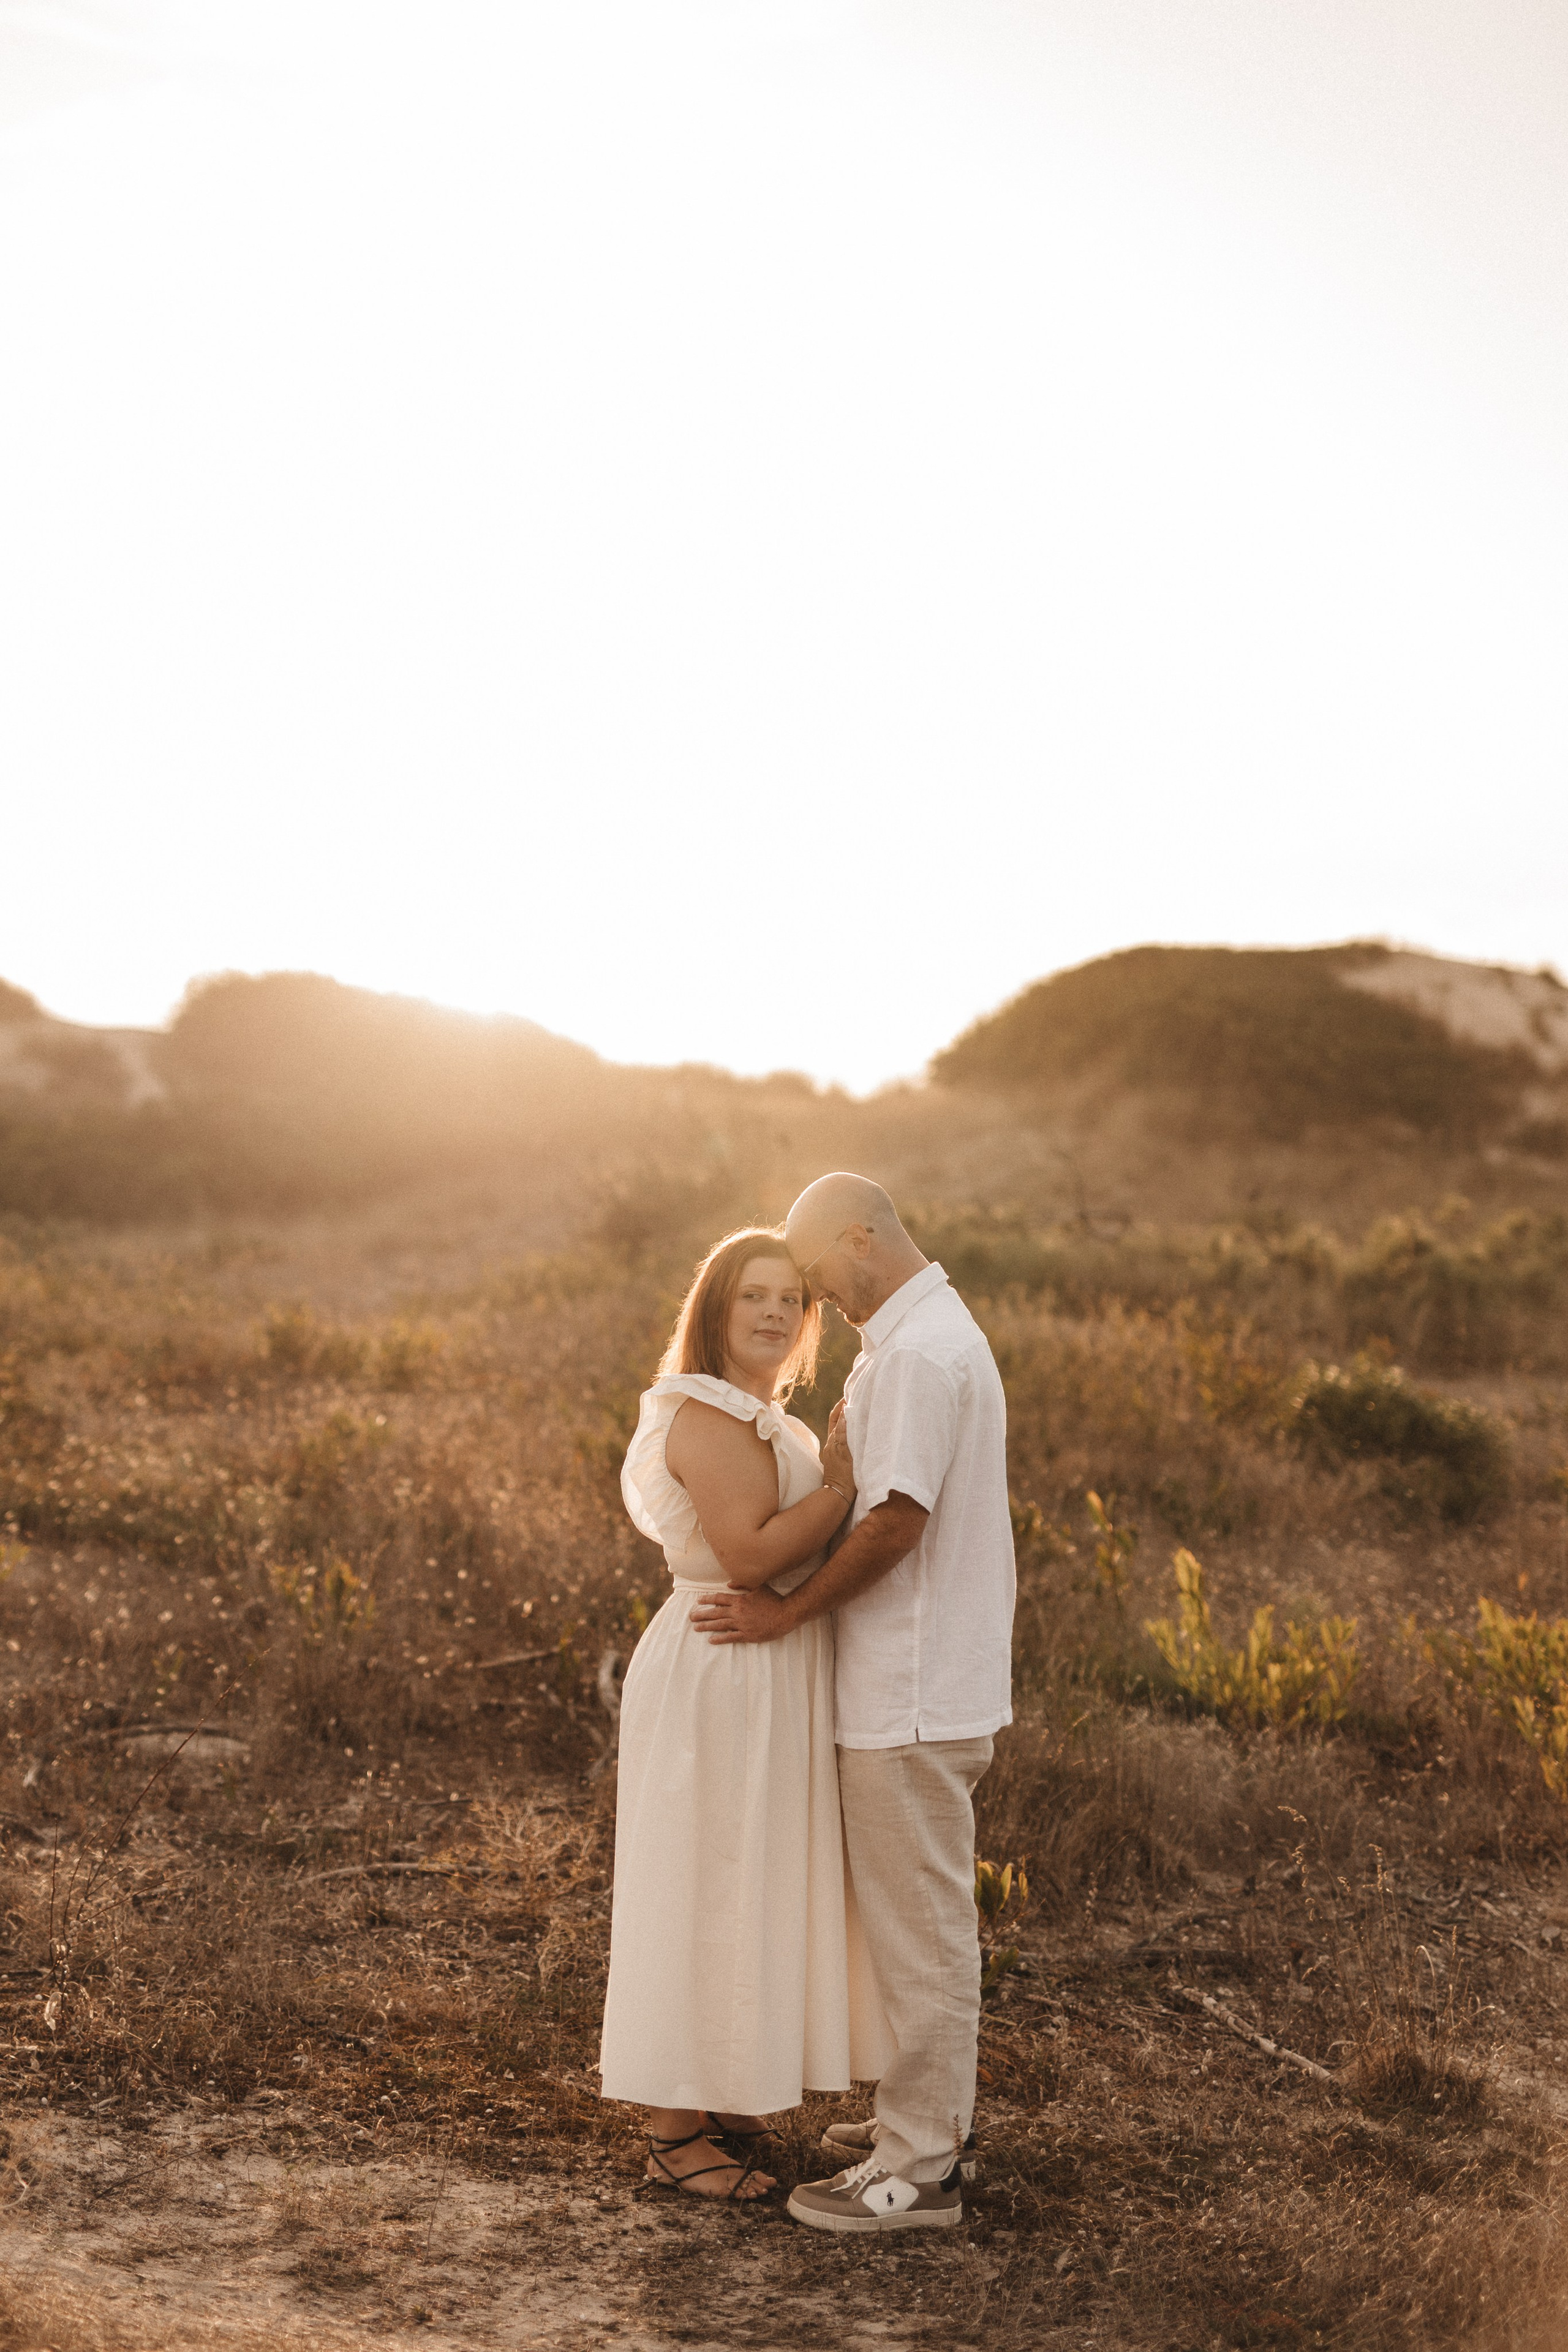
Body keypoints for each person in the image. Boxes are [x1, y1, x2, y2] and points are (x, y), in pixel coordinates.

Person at [691, 1174, 1015, 2232]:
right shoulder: (919, 1338)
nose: (813, 1302)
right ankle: (925, 2117)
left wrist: (787, 1618)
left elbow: (894, 1522)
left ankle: (917, 2172)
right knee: (911, 1925)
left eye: (820, 1275)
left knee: (923, 1935)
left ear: (860, 1239)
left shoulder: (918, 1353)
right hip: (916, 1684)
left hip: (911, 1691)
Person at [599, 1225, 892, 2198]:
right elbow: (752, 1555)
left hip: (770, 1664)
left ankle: (721, 2090)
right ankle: (672, 2130)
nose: (772, 1314)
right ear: (715, 1314)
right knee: (702, 1871)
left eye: (789, 1300)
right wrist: (848, 1485)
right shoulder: (705, 1414)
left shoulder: (773, 1421)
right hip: (722, 1662)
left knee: (750, 1871)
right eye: (750, 1297)